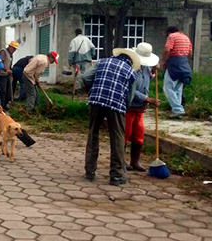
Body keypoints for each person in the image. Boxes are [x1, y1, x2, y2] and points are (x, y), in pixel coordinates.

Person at [82, 48, 139, 186]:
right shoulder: (131, 72)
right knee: (117, 138)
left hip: (96, 101)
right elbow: (130, 97)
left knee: (93, 134)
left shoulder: (101, 62)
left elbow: (86, 77)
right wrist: (123, 109)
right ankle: (116, 176)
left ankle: (90, 171)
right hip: (116, 105)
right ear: (131, 61)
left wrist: (93, 90)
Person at [125, 43, 160, 172]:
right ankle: (120, 160)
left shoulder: (145, 67)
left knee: (139, 133)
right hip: (129, 106)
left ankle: (135, 161)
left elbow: (147, 81)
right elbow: (130, 89)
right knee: (126, 132)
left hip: (140, 107)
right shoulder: (130, 68)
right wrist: (147, 99)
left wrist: (153, 72)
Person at [160, 26, 192, 118]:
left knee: (168, 87)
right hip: (184, 63)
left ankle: (178, 109)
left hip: (174, 63)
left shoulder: (172, 36)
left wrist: (164, 61)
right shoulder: (186, 37)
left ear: (169, 32)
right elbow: (190, 53)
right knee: (178, 88)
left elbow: (167, 50)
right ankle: (178, 111)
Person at [0, 41, 19, 110]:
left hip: (7, 75)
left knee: (8, 91)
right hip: (1, 74)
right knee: (2, 91)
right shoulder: (3, 52)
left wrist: (11, 75)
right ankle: (0, 105)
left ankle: (5, 104)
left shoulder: (10, 55)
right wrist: (6, 69)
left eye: (15, 49)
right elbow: (0, 63)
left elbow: (10, 65)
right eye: (13, 48)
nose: (14, 50)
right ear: (9, 46)